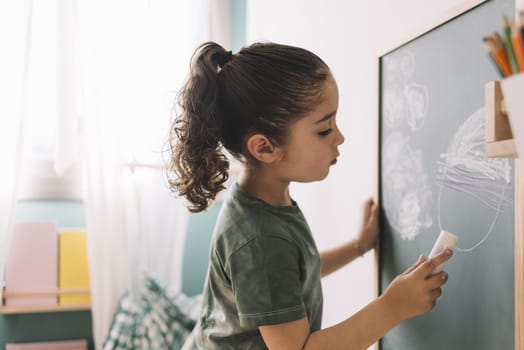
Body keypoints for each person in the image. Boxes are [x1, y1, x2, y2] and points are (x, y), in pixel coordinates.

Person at [168, 41, 452, 350]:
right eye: (324, 129)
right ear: (265, 148)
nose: (340, 137)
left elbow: (295, 273)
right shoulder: (259, 237)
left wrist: (358, 246)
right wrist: (392, 307)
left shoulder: (268, 201)